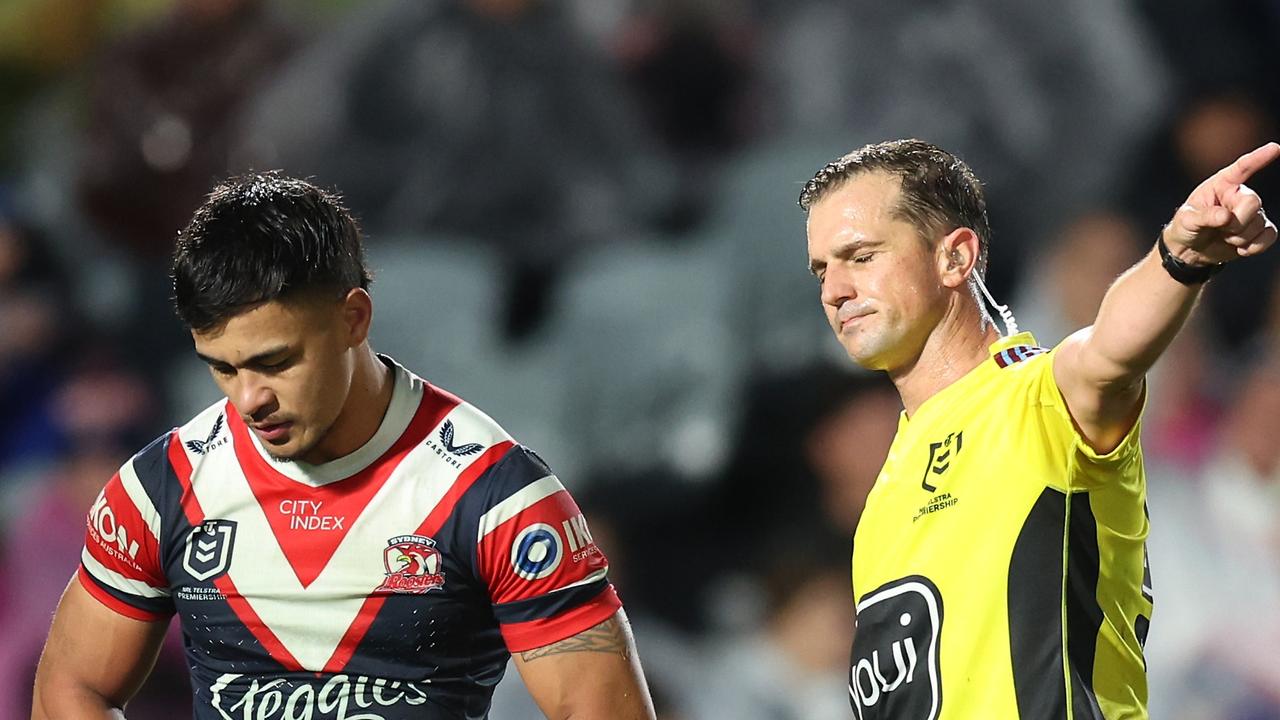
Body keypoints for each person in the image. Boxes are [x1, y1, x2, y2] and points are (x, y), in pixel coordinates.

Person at [30, 172, 657, 719]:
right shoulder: (162, 488)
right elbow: (71, 685)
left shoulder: (494, 496)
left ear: (354, 317)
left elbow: (600, 706)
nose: (249, 399)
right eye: (222, 368)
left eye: (275, 361)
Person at [798, 138, 1278, 717]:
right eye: (822, 269)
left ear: (955, 257)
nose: (834, 291)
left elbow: (1109, 353)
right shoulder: (883, 497)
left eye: (861, 256)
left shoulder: (1037, 397)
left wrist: (1180, 255)